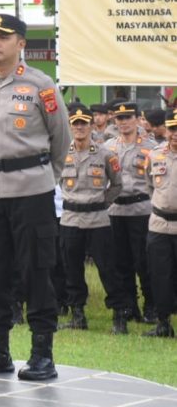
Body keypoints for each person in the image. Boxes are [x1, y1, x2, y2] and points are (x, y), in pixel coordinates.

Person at [0, 13, 69, 381]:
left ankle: (42, 354)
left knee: (36, 270)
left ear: (21, 43)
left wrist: (44, 177)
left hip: (32, 191)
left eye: (3, 36)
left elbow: (62, 141)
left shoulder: (41, 85)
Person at [58, 104, 127, 332]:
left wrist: (101, 203)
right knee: (72, 270)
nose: (79, 128)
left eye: (83, 124)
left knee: (108, 268)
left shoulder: (106, 154)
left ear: (90, 126)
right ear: (70, 126)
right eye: (75, 124)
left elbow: (117, 184)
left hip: (97, 220)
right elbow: (56, 179)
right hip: (70, 220)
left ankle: (119, 316)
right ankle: (78, 315)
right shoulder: (60, 154)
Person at [104, 100, 157, 323]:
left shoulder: (152, 147)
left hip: (141, 210)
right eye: (119, 118)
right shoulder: (108, 147)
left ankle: (151, 306)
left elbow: (157, 181)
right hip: (116, 211)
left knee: (144, 261)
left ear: (137, 119)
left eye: (128, 117)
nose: (124, 122)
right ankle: (128, 306)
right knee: (120, 262)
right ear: (114, 121)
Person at [145, 111, 177, 338]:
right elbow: (150, 184)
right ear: (166, 130)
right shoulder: (155, 155)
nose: (175, 134)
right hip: (159, 225)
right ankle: (163, 322)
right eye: (172, 129)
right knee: (160, 275)